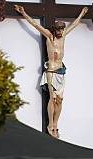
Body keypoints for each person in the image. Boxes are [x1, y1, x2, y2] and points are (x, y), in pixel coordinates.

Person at [15, 5, 88, 138]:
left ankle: (56, 124)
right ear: (54, 30)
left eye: (62, 29)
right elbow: (35, 25)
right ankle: (50, 125)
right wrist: (24, 13)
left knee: (60, 100)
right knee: (52, 98)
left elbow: (75, 24)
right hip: (51, 72)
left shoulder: (64, 36)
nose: (60, 32)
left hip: (61, 72)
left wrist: (82, 14)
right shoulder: (49, 37)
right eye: (58, 29)